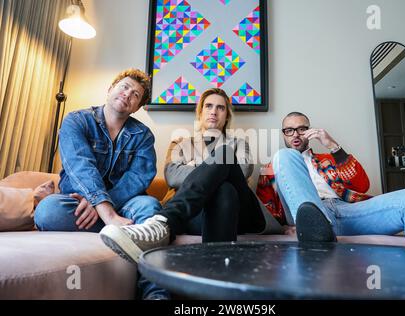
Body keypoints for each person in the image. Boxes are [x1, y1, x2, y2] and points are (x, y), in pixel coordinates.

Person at [34, 68, 169, 299]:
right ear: (110, 89)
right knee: (47, 211)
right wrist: (104, 210)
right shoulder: (76, 121)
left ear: (137, 107)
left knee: (150, 207)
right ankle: (125, 231)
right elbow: (79, 165)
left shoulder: (143, 135)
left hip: (124, 206)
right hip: (78, 201)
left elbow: (139, 176)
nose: (128, 94)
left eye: (135, 95)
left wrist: (104, 206)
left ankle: (155, 293)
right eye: (124, 87)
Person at [100, 88, 266, 263]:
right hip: (196, 215)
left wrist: (197, 165)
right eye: (208, 106)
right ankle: (217, 273)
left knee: (225, 155)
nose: (214, 111)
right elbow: (172, 175)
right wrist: (215, 170)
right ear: (200, 112)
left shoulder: (239, 143)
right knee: (224, 189)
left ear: (227, 116)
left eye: (220, 108)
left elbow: (243, 170)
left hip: (240, 213)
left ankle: (164, 224)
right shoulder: (181, 143)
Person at [256, 111, 405, 250]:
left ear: (309, 131)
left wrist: (332, 145)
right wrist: (283, 227)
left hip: (347, 211)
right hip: (309, 215)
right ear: (283, 134)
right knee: (285, 155)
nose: (295, 134)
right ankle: (316, 229)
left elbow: (361, 185)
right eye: (289, 130)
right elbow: (266, 207)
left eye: (301, 129)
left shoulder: (329, 159)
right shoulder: (277, 164)